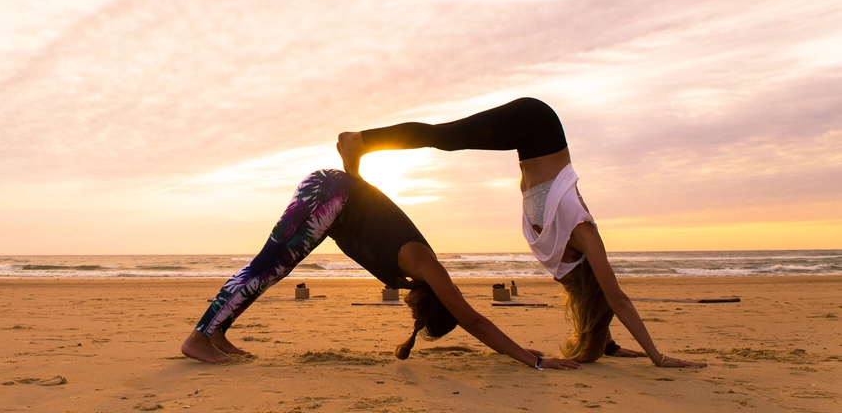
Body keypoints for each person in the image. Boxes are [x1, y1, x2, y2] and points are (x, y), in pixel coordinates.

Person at [337, 97, 706, 368]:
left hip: (531, 147)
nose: (570, 285)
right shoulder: (583, 234)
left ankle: (364, 140)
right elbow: (617, 299)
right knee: (446, 137)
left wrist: (606, 344)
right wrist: (658, 357)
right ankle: (361, 140)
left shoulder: (563, 262)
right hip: (539, 122)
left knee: (446, 138)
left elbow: (593, 298)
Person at [181, 168, 580, 370]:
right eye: (417, 312)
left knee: (273, 270)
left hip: (334, 200)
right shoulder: (428, 267)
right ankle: (199, 338)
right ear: (433, 302)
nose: (408, 307)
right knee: (265, 268)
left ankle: (218, 334)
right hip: (330, 193)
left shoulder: (412, 275)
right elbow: (474, 320)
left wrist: (516, 351)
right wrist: (532, 359)